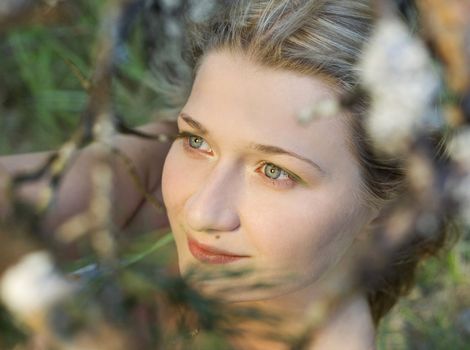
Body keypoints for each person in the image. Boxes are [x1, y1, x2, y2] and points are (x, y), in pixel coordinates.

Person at [0, 1, 453, 349]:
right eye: (197, 142)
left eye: (275, 171)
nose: (201, 211)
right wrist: (140, 156)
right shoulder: (148, 177)